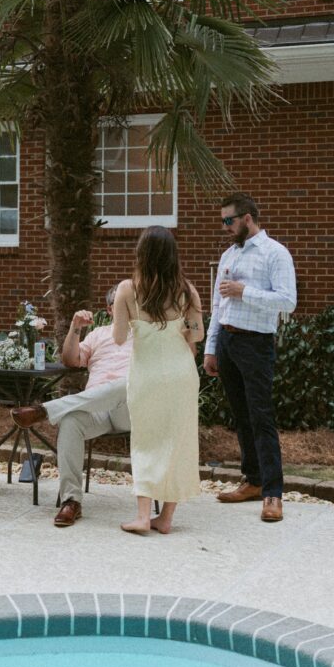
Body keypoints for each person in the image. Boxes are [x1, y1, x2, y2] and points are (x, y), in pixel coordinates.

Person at [203, 192, 296, 524]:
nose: (225, 226)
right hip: (228, 341)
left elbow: (287, 301)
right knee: (241, 416)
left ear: (247, 218)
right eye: (222, 221)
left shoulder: (275, 254)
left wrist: (245, 293)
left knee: (261, 417)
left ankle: (273, 493)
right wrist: (211, 348)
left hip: (256, 344)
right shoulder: (229, 255)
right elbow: (217, 306)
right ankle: (253, 480)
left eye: (229, 220)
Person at [10, 286, 133, 527]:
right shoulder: (98, 334)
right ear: (110, 310)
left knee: (126, 384)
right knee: (69, 421)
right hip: (96, 408)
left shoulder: (146, 334)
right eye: (122, 303)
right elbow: (70, 360)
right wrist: (76, 327)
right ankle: (71, 501)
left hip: (129, 409)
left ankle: (45, 410)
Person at [113, 227, 203, 535]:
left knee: (146, 440)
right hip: (181, 373)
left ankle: (141, 515)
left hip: (146, 375)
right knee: (179, 441)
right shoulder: (187, 291)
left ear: (141, 254)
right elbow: (197, 334)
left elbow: (119, 337)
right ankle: (165, 518)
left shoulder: (127, 290)